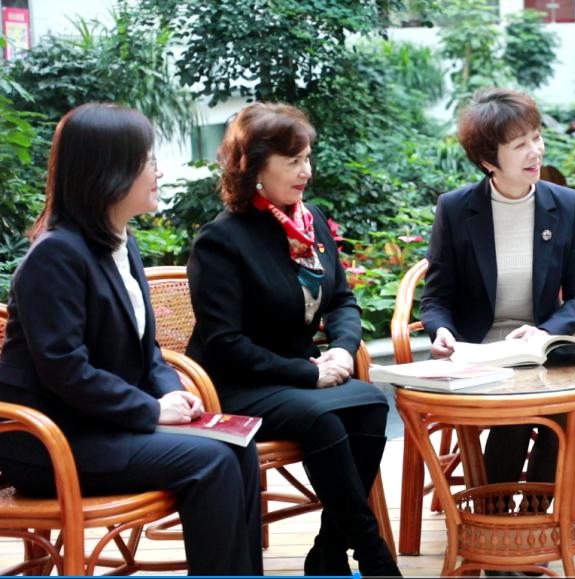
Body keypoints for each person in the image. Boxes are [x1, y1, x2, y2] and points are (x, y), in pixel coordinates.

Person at [0, 103, 262, 575]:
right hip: (53, 442)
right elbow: (65, 369)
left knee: (238, 448)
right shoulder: (55, 255)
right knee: (212, 462)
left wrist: (172, 394)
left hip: (104, 426)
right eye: (147, 160)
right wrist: (151, 410)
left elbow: (148, 350)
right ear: (109, 171)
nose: (157, 171)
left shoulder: (120, 242)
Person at [185, 103, 400, 577]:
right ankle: (373, 555)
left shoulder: (310, 221)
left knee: (370, 403)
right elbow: (224, 343)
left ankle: (327, 553)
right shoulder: (220, 241)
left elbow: (341, 300)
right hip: (238, 383)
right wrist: (308, 373)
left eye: (307, 158)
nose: (307, 171)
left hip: (301, 376)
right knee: (321, 419)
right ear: (255, 168)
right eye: (294, 161)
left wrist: (341, 349)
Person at [420, 87, 575, 488]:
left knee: (555, 405)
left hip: (539, 349)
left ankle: (534, 512)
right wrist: (441, 330)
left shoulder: (566, 205)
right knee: (519, 402)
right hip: (476, 351)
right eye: (520, 145)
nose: (536, 152)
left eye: (536, 137)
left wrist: (546, 332)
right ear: (488, 161)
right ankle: (501, 511)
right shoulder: (456, 209)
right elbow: (436, 297)